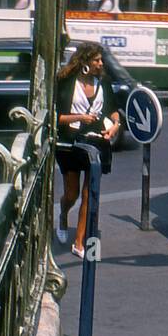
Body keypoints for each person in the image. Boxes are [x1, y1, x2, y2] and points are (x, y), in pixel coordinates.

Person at [55, 43, 120, 257]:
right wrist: (80, 117)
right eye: (97, 60)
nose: (101, 64)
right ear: (84, 62)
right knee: (72, 194)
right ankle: (63, 214)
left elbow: (113, 111)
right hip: (70, 143)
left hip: (96, 143)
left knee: (89, 194)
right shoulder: (65, 83)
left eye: (101, 60)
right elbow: (58, 118)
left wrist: (115, 126)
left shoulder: (104, 83)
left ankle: (80, 243)